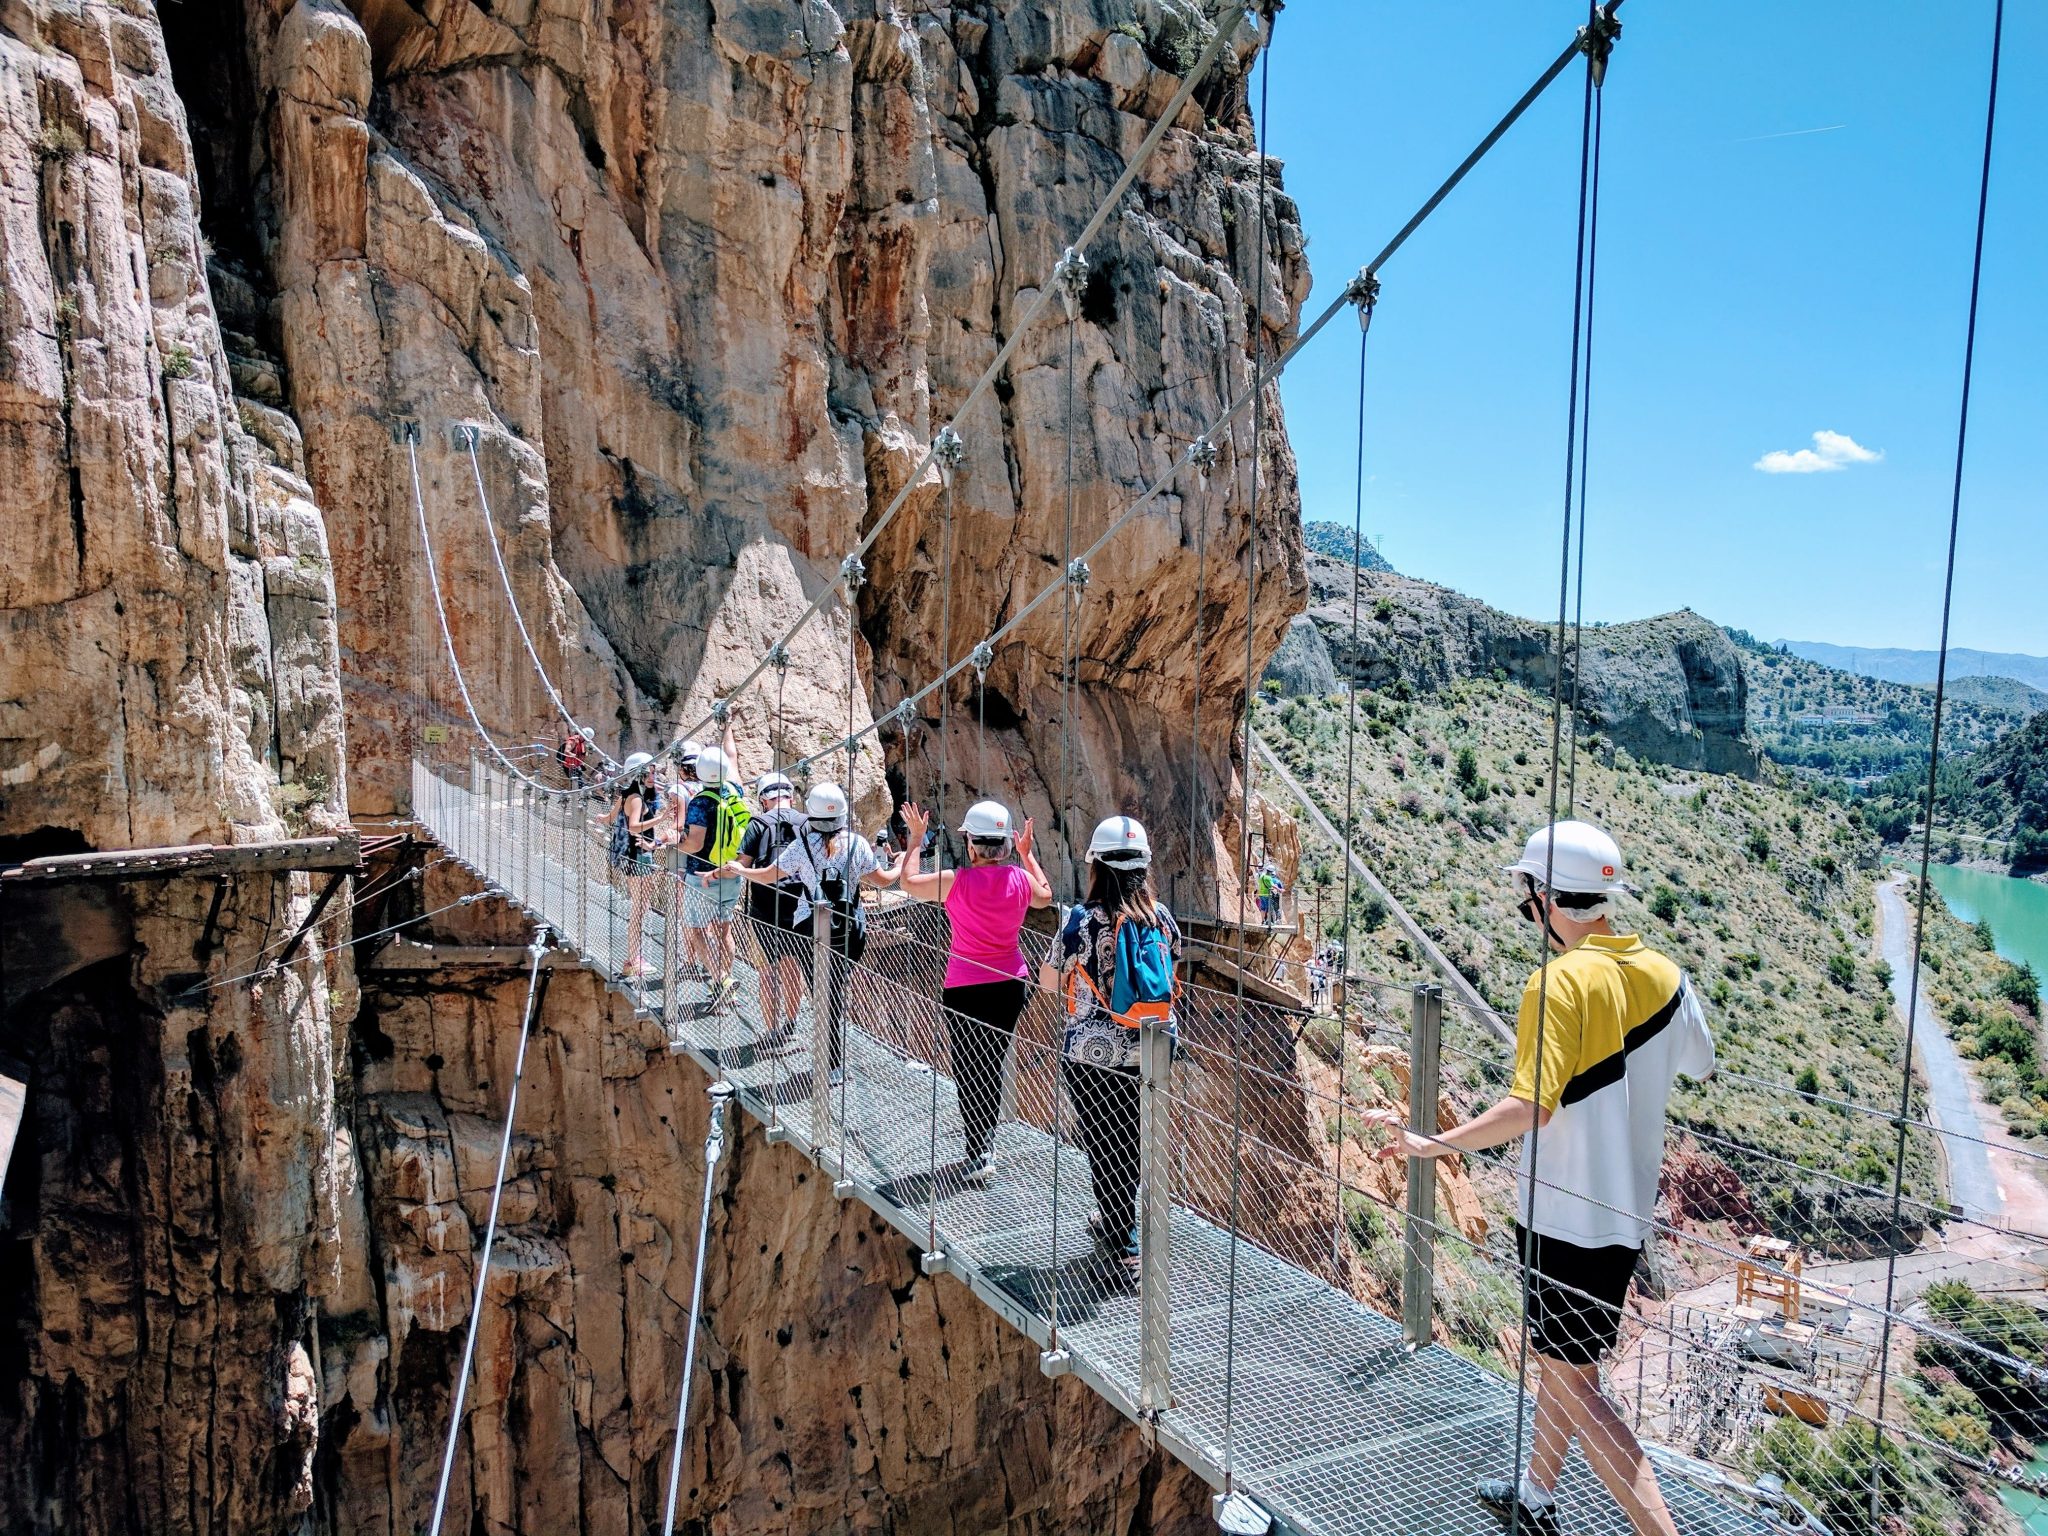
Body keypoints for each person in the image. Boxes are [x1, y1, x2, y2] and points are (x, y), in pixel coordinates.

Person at [1368, 820, 1713, 1536]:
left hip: (1561, 1219)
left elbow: (1529, 1106)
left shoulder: (1555, 984)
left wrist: (1434, 1144)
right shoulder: (1666, 979)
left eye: (1529, 894)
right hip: (1624, 1220)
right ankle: (1537, 1493)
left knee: (1578, 1385)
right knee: (1566, 1365)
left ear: (1546, 898)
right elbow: (1703, 1064)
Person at [1045, 814, 1181, 1278]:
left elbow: (1048, 979)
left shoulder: (1081, 920)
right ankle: (1116, 1222)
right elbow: (1172, 967)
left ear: (1096, 867)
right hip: (1150, 1047)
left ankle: (1125, 1244)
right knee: (1130, 1140)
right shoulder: (1161, 917)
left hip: (1091, 1052)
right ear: (1143, 867)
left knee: (1103, 1142)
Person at [898, 799, 1053, 1185]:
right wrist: (1028, 855)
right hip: (1012, 983)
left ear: (971, 845)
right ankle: (987, 1142)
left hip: (965, 985)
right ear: (1004, 844)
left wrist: (917, 839)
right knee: (993, 1061)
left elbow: (907, 884)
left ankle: (979, 1148)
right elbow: (1045, 896)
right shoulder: (1019, 878)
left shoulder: (956, 880)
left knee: (969, 1068)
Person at [723, 782, 900, 1086]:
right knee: (833, 991)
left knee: (823, 994)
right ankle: (832, 1059)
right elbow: (883, 881)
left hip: (811, 928)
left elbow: (767, 875)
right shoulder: (857, 844)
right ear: (843, 815)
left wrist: (741, 871)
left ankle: (829, 1062)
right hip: (851, 928)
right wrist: (904, 862)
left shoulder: (801, 846)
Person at [735, 771, 809, 1046]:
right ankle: (791, 1023)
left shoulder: (758, 823)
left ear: (764, 799)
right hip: (800, 905)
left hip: (764, 906)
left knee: (767, 971)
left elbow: (743, 863)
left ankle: (771, 1030)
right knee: (792, 967)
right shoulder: (808, 823)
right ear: (790, 796)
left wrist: (723, 870)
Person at [676, 744, 750, 1015]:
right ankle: (723, 991)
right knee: (723, 931)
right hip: (731, 873)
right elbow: (733, 759)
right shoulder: (734, 791)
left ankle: (721, 979)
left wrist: (674, 844)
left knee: (697, 931)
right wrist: (727, 729)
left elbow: (694, 845)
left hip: (702, 875)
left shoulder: (700, 802)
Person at [606, 752, 662, 977]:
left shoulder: (626, 794)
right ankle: (634, 959)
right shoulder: (637, 798)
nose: (653, 776)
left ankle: (633, 958)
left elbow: (610, 819)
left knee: (640, 906)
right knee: (640, 908)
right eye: (649, 772)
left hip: (630, 856)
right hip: (638, 855)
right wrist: (661, 818)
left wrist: (602, 819)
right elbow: (634, 827)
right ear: (638, 773)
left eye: (654, 771)